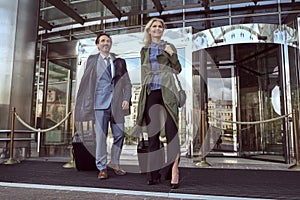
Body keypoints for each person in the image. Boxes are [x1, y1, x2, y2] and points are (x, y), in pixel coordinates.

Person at [75, 33, 132, 180]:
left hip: (117, 105)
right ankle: (101, 167)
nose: (106, 43)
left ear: (110, 44)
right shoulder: (92, 60)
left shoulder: (119, 62)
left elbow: (127, 83)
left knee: (119, 135)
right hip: (99, 105)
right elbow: (86, 83)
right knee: (101, 137)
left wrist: (126, 98)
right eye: (103, 41)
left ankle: (114, 162)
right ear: (98, 45)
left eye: (108, 41)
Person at [135, 17, 182, 189]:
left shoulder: (169, 46)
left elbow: (177, 69)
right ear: (149, 30)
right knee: (153, 135)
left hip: (168, 92)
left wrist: (171, 54)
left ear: (163, 30)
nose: (157, 29)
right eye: (154, 26)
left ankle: (174, 171)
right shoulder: (144, 50)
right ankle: (153, 173)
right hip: (151, 92)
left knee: (171, 132)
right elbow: (143, 73)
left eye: (160, 26)